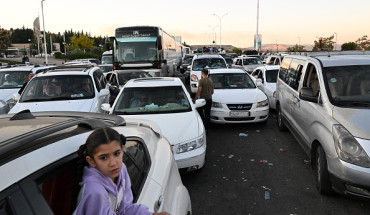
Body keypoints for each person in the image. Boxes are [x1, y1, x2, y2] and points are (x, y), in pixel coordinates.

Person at [74, 127, 170, 215]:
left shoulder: (121, 170)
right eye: (103, 157)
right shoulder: (94, 191)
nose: (113, 163)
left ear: (122, 149)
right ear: (91, 161)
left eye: (116, 153)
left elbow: (125, 208)